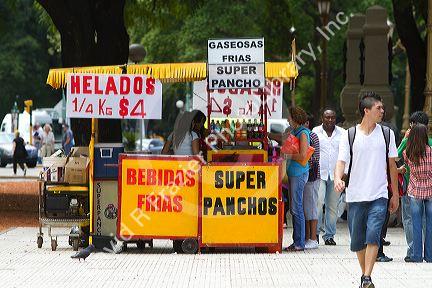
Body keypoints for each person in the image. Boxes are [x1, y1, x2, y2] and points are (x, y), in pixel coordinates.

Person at [335, 92, 399, 288]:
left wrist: (394, 193)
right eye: (378, 108)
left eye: (382, 108)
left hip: (379, 194)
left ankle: (367, 277)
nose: (382, 111)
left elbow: (392, 167)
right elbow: (341, 161)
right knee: (358, 242)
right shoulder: (350, 134)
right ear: (367, 110)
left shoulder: (387, 134)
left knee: (373, 235)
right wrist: (338, 178)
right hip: (355, 195)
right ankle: (365, 276)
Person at [397, 111, 432, 262]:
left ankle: (415, 255)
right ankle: (429, 256)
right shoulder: (431, 149)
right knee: (429, 224)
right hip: (430, 190)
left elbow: (396, 155)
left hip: (413, 190)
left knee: (413, 222)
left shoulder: (408, 151)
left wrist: (405, 139)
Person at [312, 107, 345, 246]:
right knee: (319, 203)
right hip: (320, 173)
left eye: (332, 117)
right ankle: (316, 233)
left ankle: (329, 235)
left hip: (336, 175)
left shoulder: (342, 133)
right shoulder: (315, 132)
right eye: (327, 117)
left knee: (332, 206)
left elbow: (345, 154)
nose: (330, 120)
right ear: (322, 118)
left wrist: (345, 173)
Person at [285, 106, 310, 252]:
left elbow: (302, 155)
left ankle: (300, 243)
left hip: (299, 173)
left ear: (295, 118)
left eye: (290, 117)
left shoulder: (303, 133)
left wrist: (288, 156)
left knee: (297, 208)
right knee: (295, 208)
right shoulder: (295, 132)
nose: (288, 120)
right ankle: (297, 241)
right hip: (294, 173)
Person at [303, 113, 320, 249]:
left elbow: (315, 158)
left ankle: (313, 238)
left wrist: (302, 159)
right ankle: (308, 237)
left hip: (312, 176)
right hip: (304, 175)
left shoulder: (311, 135)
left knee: (311, 207)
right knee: (306, 207)